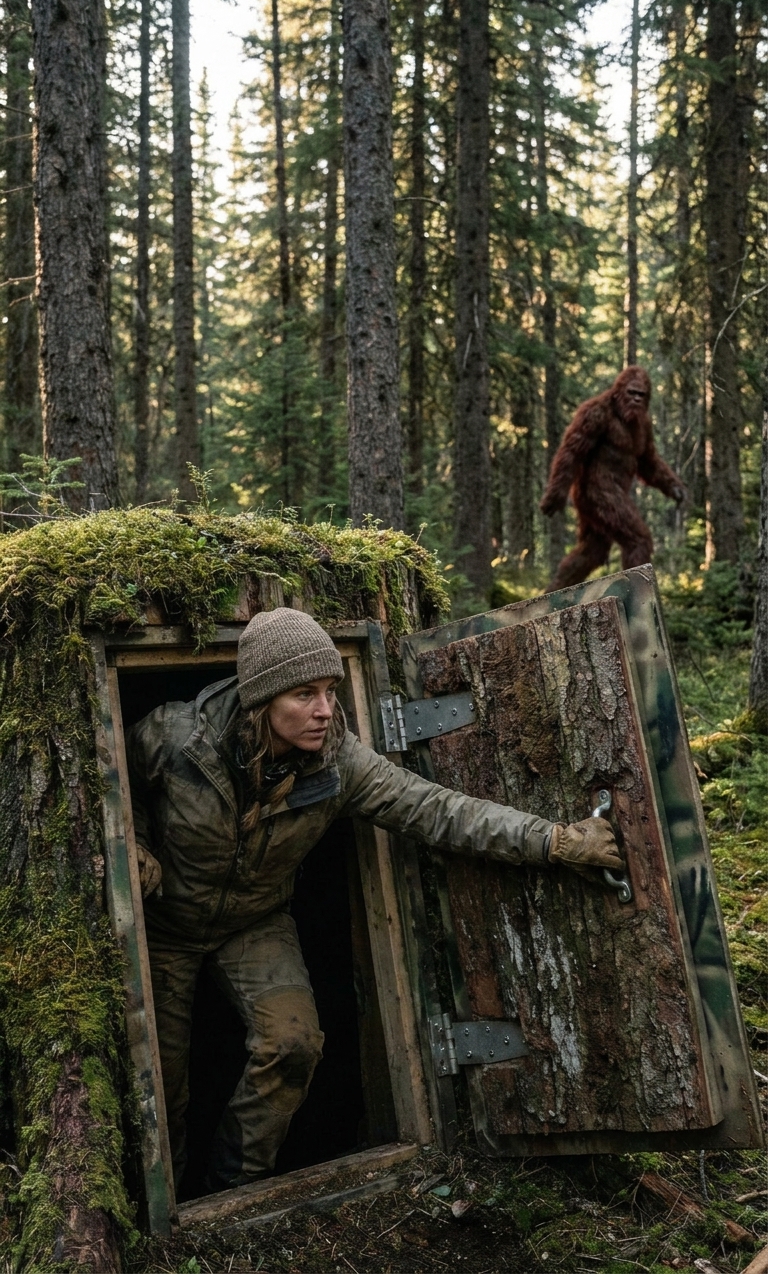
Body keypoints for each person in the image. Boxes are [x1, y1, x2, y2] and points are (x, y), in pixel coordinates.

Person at [127, 608, 624, 1194]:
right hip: (165, 927)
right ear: (261, 699)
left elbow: (438, 810)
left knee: (293, 1045)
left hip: (255, 922)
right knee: (164, 1082)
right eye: (305, 693)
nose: (325, 709)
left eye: (332, 689)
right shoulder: (175, 737)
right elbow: (114, 781)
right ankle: (168, 1209)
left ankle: (236, 1188)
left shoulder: (339, 761)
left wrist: (556, 841)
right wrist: (134, 842)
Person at [540, 365, 685, 591]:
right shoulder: (598, 411)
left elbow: (649, 462)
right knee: (639, 540)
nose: (636, 399)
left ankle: (550, 600)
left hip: (614, 492)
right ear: (618, 391)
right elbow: (571, 452)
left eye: (641, 395)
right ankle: (638, 604)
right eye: (631, 393)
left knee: (593, 551)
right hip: (595, 491)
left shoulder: (642, 425)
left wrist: (671, 484)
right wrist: (556, 492)